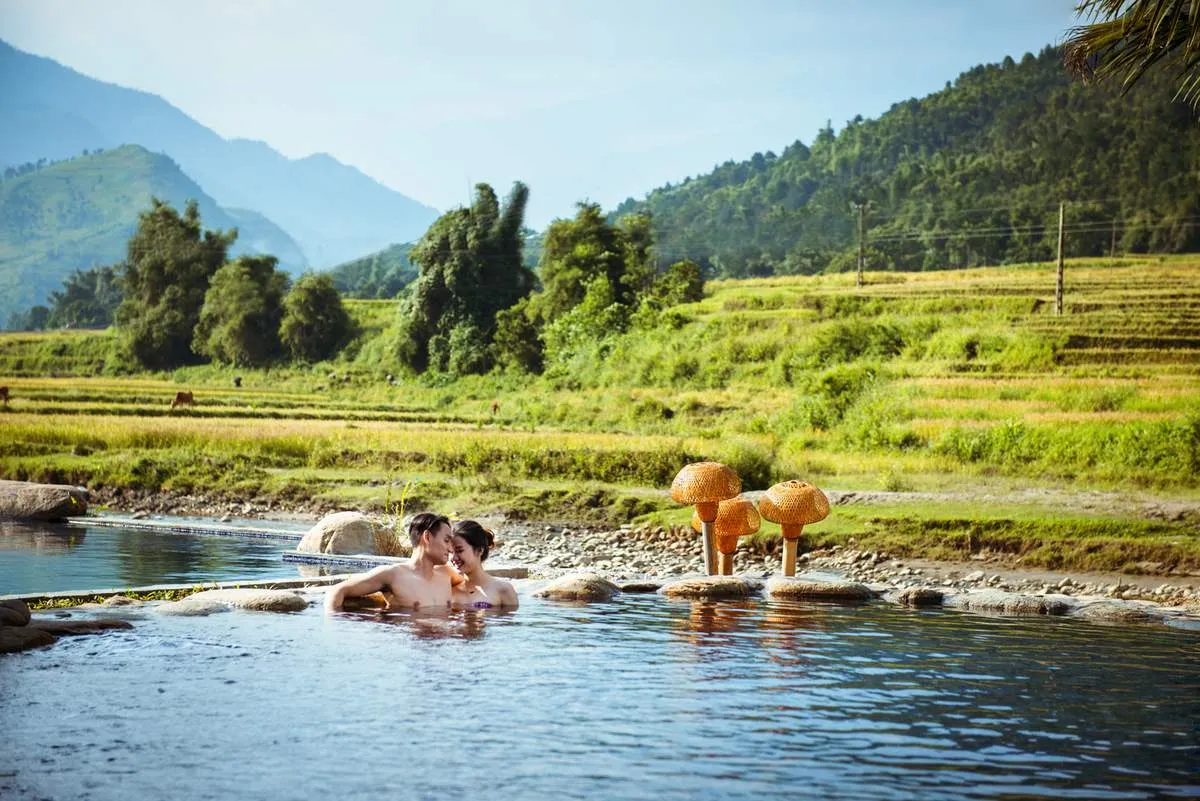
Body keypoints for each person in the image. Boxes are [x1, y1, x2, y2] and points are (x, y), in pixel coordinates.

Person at [324, 512, 459, 613]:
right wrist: (335, 624)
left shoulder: (447, 575)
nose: (450, 549)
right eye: (446, 541)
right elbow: (337, 590)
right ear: (427, 537)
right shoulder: (393, 575)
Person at [449, 520, 519, 609]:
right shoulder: (450, 590)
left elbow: (510, 622)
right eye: (451, 552)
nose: (453, 558)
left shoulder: (503, 589)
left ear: (479, 550)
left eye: (459, 551)